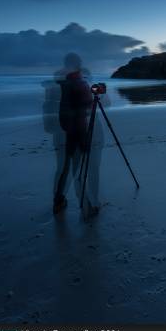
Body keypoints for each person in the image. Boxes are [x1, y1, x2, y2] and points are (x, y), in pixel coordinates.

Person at [52, 53, 101, 218]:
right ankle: (87, 207)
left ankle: (58, 201)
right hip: (78, 129)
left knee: (64, 167)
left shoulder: (61, 83)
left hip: (64, 128)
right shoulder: (78, 83)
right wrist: (95, 96)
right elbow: (87, 104)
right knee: (82, 168)